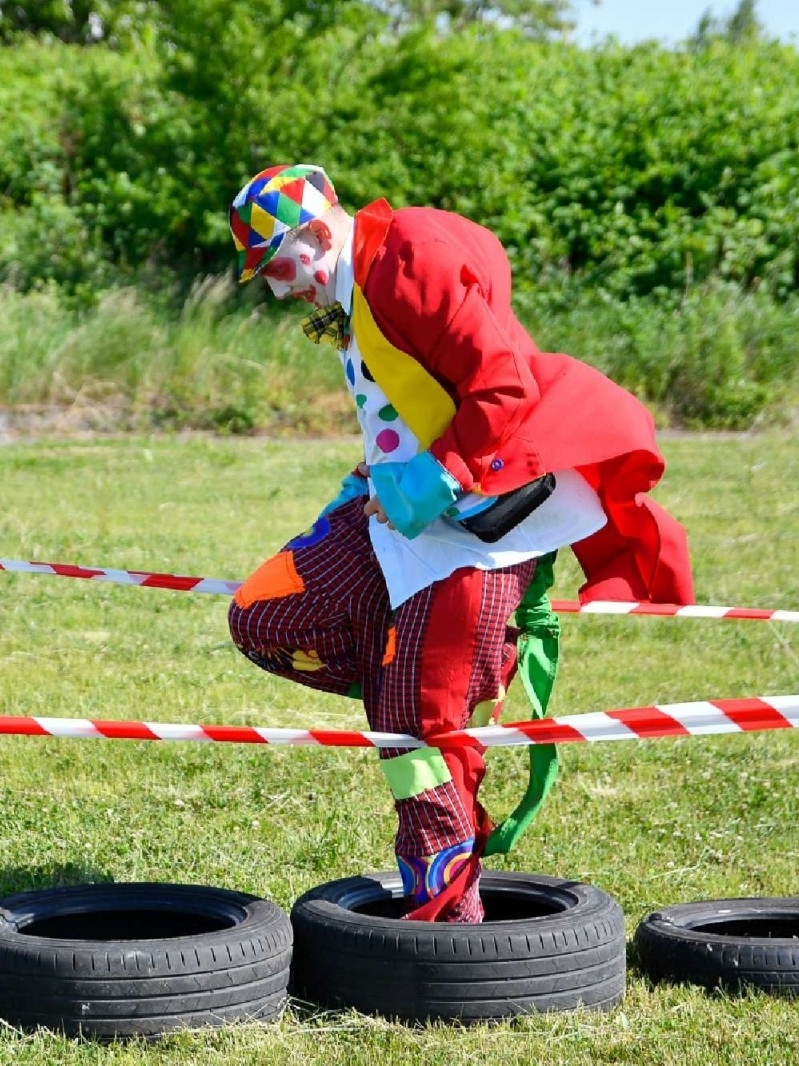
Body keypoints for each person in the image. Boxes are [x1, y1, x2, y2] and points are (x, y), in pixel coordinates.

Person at [224, 164, 695, 923]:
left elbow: (503, 387)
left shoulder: (405, 255)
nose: (281, 292)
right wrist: (368, 480)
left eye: (280, 268)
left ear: (315, 234)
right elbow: (407, 401)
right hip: (403, 516)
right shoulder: (355, 278)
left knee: (420, 743)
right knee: (264, 616)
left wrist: (439, 477)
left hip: (485, 529)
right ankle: (397, 675)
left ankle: (448, 937)